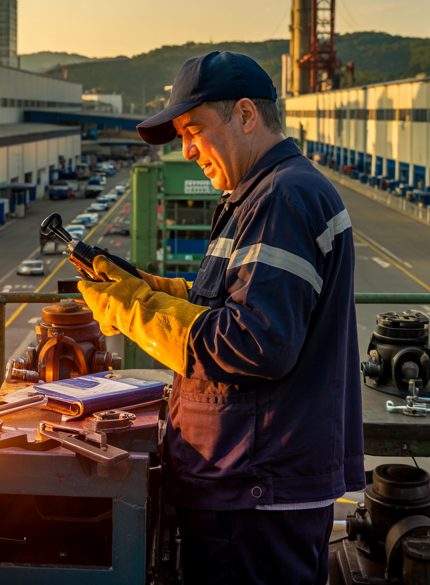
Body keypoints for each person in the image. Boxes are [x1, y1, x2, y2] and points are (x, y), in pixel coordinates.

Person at [77, 51, 364, 585]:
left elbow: (256, 340)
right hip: (249, 481)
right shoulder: (260, 194)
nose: (187, 151)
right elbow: (234, 300)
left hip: (254, 488)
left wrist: (134, 308)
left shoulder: (282, 198)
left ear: (246, 115)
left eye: (194, 130)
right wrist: (154, 289)